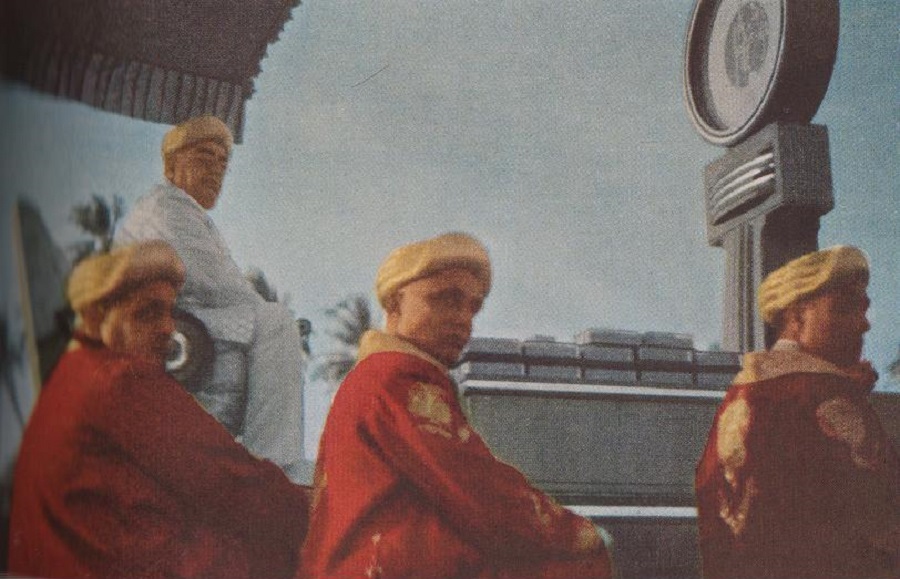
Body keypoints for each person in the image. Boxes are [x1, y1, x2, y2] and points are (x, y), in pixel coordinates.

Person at [300, 232, 613, 579]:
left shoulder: (378, 378)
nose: (464, 319)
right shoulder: (395, 379)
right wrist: (574, 532)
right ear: (395, 304)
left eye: (472, 307)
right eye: (446, 299)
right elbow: (477, 487)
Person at [7, 241, 309, 578]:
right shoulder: (119, 380)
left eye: (169, 312)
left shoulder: (67, 380)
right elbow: (230, 480)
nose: (168, 327)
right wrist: (315, 511)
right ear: (98, 315)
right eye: (148, 312)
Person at [115, 115, 307, 483]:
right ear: (172, 164)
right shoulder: (166, 208)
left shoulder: (188, 213)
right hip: (166, 329)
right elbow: (215, 285)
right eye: (204, 157)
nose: (216, 170)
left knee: (270, 322)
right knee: (275, 323)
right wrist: (261, 309)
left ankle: (267, 461)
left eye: (223, 163)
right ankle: (275, 466)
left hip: (187, 324)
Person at [695, 245, 900, 578]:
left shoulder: (742, 393)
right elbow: (880, 513)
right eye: (844, 309)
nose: (863, 325)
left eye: (864, 310)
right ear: (796, 318)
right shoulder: (824, 394)